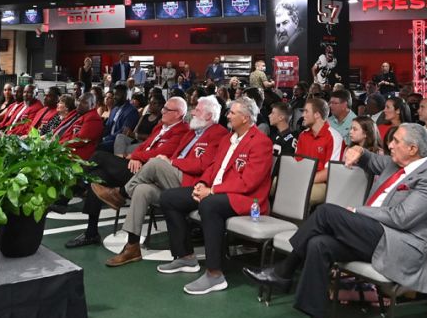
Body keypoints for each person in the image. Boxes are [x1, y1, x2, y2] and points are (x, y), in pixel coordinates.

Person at [242, 124, 427, 318]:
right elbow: (370, 159)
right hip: (373, 237)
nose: (390, 145)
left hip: (398, 244)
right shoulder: (395, 163)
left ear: (412, 148)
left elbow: (402, 218)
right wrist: (357, 151)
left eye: (396, 142)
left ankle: (284, 270)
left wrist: (358, 212)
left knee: (327, 212)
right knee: (319, 244)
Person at [157, 97, 272, 295]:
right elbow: (213, 167)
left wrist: (212, 191)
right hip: (217, 191)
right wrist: (202, 183)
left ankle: (215, 274)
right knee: (169, 198)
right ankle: (185, 257)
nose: (228, 115)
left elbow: (249, 183)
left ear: (245, 118)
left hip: (246, 199)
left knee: (209, 204)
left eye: (232, 113)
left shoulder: (261, 142)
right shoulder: (229, 138)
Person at [99, 96, 229, 267]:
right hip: (173, 179)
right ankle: (132, 246)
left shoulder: (219, 134)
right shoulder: (191, 132)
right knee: (142, 190)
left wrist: (171, 163)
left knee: (156, 163)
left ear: (208, 115)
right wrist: (169, 163)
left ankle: (120, 193)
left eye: (197, 110)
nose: (192, 112)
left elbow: (202, 165)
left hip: (192, 184)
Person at [65, 97, 193, 249]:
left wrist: (134, 157)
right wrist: (135, 157)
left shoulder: (182, 130)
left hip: (149, 174)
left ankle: (73, 188)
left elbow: (163, 152)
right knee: (98, 176)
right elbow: (142, 146)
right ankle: (91, 232)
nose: (162, 111)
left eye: (166, 109)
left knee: (99, 156)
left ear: (178, 114)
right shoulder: (159, 128)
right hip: (135, 167)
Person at [297, 98, 338, 205]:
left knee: (301, 193)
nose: (302, 115)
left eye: (306, 111)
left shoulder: (333, 137)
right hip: (303, 178)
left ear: (317, 115)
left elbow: (330, 171)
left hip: (323, 184)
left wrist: (304, 181)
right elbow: (297, 163)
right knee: (276, 183)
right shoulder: (303, 135)